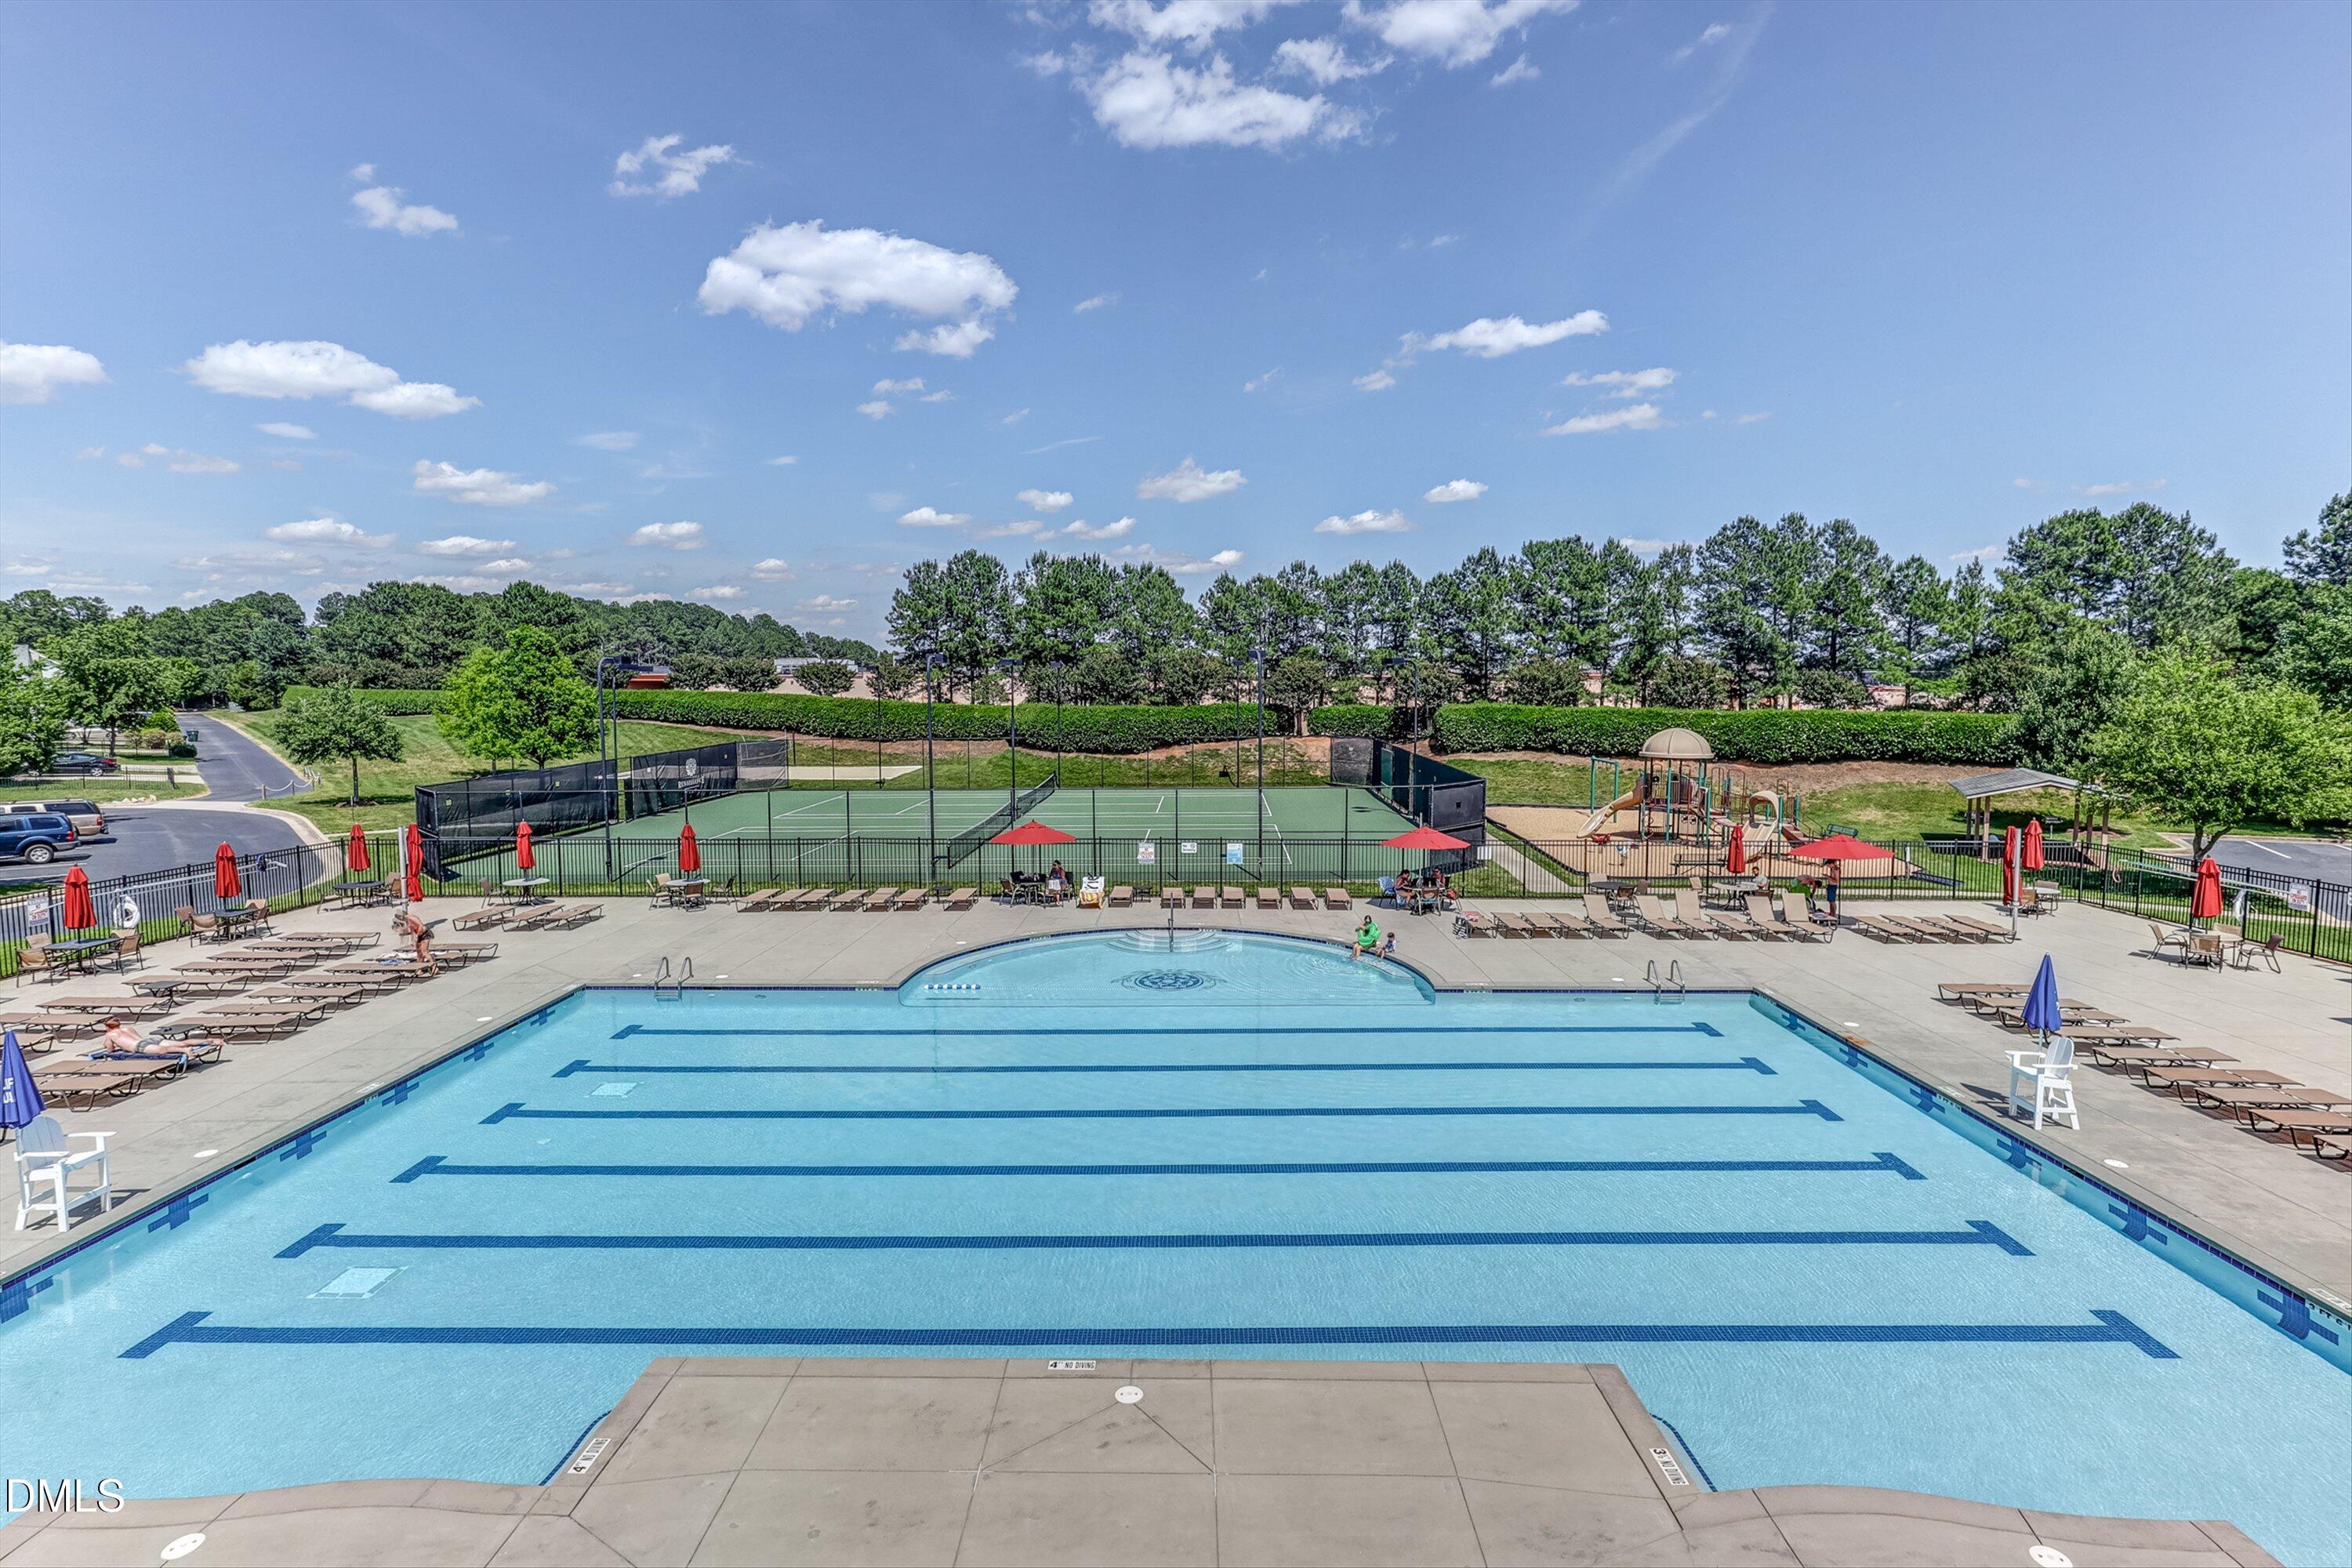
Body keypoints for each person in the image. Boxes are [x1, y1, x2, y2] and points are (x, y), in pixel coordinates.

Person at [397, 906, 440, 975]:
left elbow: (421, 926)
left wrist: (417, 936)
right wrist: (413, 940)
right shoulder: (407, 921)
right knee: (419, 954)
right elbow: (412, 931)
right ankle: (419, 969)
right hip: (420, 935)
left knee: (425, 952)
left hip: (425, 934)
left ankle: (434, 967)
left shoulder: (412, 918)